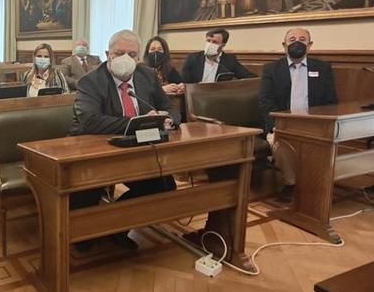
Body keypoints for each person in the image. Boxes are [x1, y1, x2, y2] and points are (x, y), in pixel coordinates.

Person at [69, 30, 179, 251]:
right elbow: (90, 121)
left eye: (132, 54)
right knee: (85, 190)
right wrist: (136, 122)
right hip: (94, 150)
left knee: (164, 186)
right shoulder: (90, 81)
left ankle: (115, 227)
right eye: (119, 52)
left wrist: (169, 120)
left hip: (138, 148)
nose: (125, 59)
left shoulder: (147, 76)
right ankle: (84, 232)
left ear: (138, 57)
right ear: (108, 54)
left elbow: (170, 107)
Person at [259, 28, 338, 202]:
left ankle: (316, 183)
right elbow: (266, 102)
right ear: (284, 45)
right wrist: (275, 125)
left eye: (302, 39)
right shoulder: (271, 69)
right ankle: (293, 184)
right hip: (282, 125)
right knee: (281, 145)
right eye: (292, 39)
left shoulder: (323, 68)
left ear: (309, 45)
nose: (297, 43)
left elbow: (331, 102)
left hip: (314, 125)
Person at [180, 28, 256, 83]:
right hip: (196, 97)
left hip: (219, 99)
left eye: (215, 42)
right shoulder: (193, 58)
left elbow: (250, 77)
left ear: (223, 45)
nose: (210, 44)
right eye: (208, 41)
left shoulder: (229, 60)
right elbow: (183, 81)